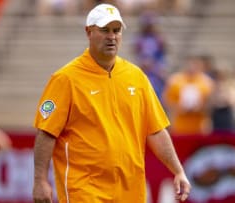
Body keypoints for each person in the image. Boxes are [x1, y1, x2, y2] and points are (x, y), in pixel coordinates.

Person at [33, 3, 190, 203]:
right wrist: (40, 180)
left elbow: (156, 130)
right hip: (84, 188)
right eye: (104, 30)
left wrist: (177, 170)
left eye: (116, 30)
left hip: (130, 189)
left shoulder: (136, 76)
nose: (112, 36)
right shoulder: (66, 79)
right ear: (88, 32)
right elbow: (46, 132)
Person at [163, 55, 214, 136]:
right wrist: (180, 107)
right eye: (190, 63)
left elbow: (211, 103)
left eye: (195, 63)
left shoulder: (207, 82)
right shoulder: (175, 80)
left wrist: (200, 108)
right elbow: (167, 101)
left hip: (200, 127)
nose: (192, 66)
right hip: (180, 127)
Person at [133, 11, 168, 101]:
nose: (149, 27)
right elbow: (137, 55)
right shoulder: (139, 39)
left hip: (155, 73)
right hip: (144, 72)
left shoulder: (159, 39)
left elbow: (162, 56)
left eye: (151, 25)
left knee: (157, 98)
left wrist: (159, 68)